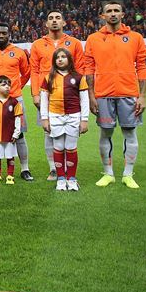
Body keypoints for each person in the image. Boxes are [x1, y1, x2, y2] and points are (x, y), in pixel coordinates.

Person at [84, 1, 146, 189]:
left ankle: (128, 174)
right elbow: (89, 68)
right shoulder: (93, 39)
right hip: (103, 94)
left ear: (122, 14)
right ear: (102, 16)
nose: (113, 14)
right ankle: (108, 173)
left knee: (130, 132)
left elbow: (142, 67)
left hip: (129, 93)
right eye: (109, 11)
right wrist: (91, 95)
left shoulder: (135, 37)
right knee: (106, 132)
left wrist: (142, 96)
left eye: (116, 11)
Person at [29, 10, 85, 180]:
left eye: (58, 18)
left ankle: (68, 168)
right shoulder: (37, 44)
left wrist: (78, 92)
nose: (54, 21)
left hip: (69, 94)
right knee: (49, 131)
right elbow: (34, 70)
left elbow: (80, 69)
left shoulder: (74, 43)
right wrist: (35, 94)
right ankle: (54, 168)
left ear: (64, 23)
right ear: (46, 24)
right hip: (46, 95)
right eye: (51, 18)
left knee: (70, 132)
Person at [0, 22, 33, 181]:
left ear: (9, 34)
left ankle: (25, 169)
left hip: (15, 99)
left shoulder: (19, 52)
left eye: (4, 33)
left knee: (20, 134)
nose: (1, 36)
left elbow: (26, 73)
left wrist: (16, 88)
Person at [40, 49, 89, 191]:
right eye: (57, 57)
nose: (60, 59)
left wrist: (84, 119)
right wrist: (45, 118)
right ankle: (61, 178)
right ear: (54, 61)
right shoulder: (48, 78)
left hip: (73, 116)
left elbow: (84, 100)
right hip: (55, 116)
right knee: (58, 146)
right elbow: (44, 100)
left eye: (63, 57)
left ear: (69, 59)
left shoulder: (79, 77)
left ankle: (71, 178)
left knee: (71, 147)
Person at [0, 75, 24, 185]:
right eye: (3, 85)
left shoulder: (14, 102)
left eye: (9, 85)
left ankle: (10, 175)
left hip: (10, 135)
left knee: (10, 156)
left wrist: (16, 133)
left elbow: (17, 119)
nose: (7, 87)